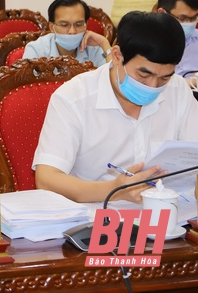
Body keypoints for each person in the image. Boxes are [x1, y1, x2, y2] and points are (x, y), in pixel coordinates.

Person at [33, 12, 198, 203]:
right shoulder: (74, 98)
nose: (152, 86)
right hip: (97, 213)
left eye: (164, 78)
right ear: (118, 55)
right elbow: (46, 178)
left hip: (170, 211)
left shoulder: (178, 90)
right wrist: (115, 190)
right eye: (143, 75)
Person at [22, 0, 112, 67]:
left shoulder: (94, 48)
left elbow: (114, 80)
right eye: (64, 25)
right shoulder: (36, 50)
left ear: (86, 25)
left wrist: (104, 43)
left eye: (78, 24)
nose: (72, 31)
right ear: (52, 27)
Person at [155, 0, 198, 83]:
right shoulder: (146, 44)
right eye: (182, 18)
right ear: (162, 13)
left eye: (193, 18)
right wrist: (191, 82)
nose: (189, 24)